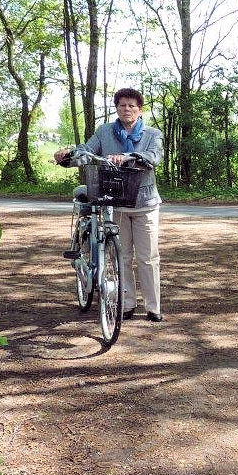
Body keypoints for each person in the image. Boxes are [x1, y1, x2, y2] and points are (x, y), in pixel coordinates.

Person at [55, 88, 164, 322]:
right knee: (121, 256)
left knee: (147, 257)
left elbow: (154, 157)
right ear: (117, 108)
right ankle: (127, 305)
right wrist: (67, 156)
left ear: (140, 110)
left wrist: (129, 156)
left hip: (145, 203)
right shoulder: (104, 131)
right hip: (117, 203)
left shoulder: (152, 134)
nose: (127, 109)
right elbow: (87, 152)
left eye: (132, 106)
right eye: (123, 105)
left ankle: (153, 307)